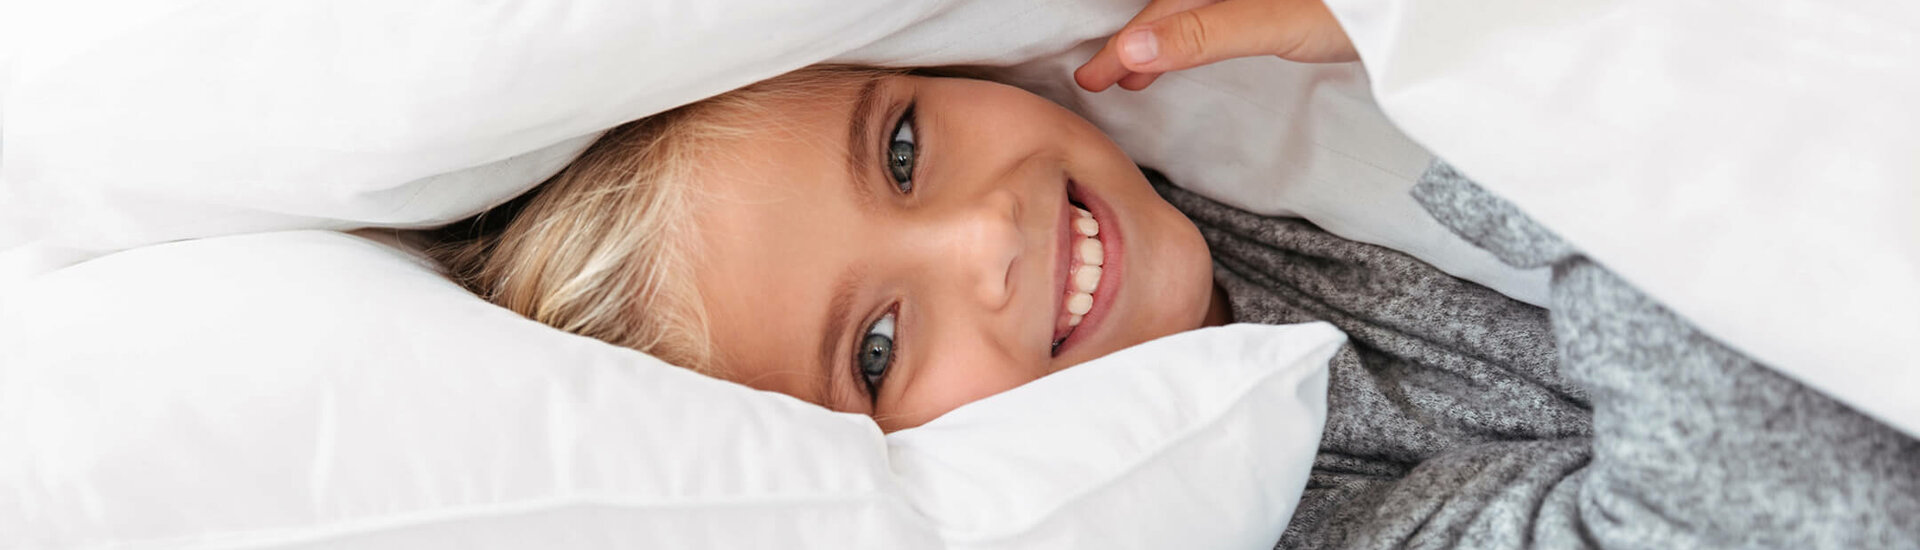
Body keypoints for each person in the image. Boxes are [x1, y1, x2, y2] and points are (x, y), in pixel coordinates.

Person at [431, 0, 1919, 546]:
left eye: (898, 151)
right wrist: (1500, 77)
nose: (985, 240)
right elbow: (1777, 504)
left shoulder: (1188, 149)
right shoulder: (1299, 515)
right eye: (877, 349)